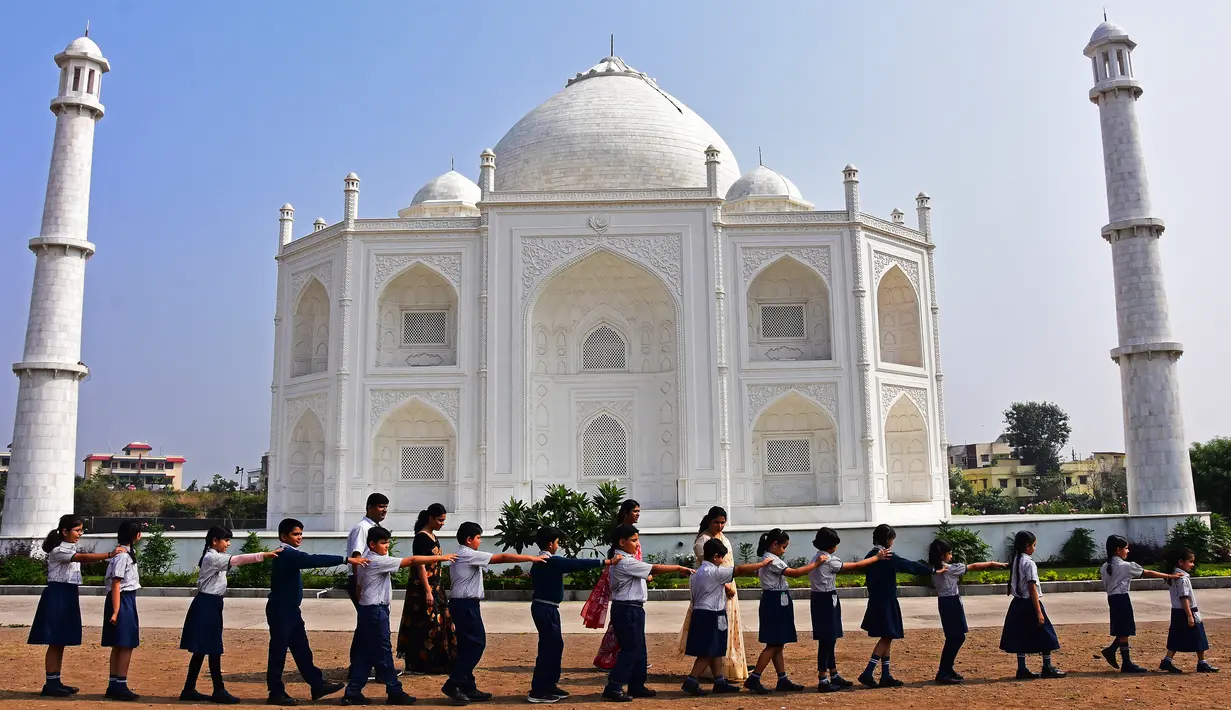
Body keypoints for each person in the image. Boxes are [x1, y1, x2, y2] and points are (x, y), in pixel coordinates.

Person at [343, 526, 456, 706]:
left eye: (387, 542)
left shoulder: (365, 558)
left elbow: (358, 585)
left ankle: (353, 691)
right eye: (383, 543)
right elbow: (412, 560)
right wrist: (441, 557)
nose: (386, 546)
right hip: (375, 611)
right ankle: (394, 690)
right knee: (383, 652)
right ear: (372, 544)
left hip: (369, 610)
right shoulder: (376, 560)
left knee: (366, 653)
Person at [266, 518, 368, 706]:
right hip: (281, 610)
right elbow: (312, 560)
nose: (300, 537)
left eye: (301, 534)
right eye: (295, 534)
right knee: (278, 652)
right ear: (283, 536)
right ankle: (275, 692)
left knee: (302, 650)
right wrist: (345, 559)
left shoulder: (289, 553)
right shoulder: (285, 553)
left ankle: (317, 684)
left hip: (290, 610)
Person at [443, 521, 548, 705]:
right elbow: (502, 557)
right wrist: (531, 558)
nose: (480, 541)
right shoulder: (469, 554)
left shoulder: (463, 554)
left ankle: (467, 686)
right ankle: (454, 682)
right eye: (478, 538)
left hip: (463, 604)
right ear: (469, 540)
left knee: (468, 646)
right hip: (466, 605)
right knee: (476, 644)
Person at [28, 514, 125, 698]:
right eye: (77, 530)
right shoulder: (59, 550)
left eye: (81, 530)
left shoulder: (68, 547)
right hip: (58, 594)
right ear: (65, 531)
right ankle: (50, 683)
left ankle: (55, 681)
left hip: (68, 592)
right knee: (55, 640)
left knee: (61, 640)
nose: (80, 533)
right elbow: (83, 557)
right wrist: (109, 554)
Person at [180, 526, 280, 703]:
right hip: (207, 604)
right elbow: (238, 560)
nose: (228, 543)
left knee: (203, 649)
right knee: (212, 648)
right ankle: (218, 689)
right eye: (225, 540)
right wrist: (263, 555)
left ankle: (189, 688)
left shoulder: (213, 556)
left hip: (210, 603)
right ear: (215, 541)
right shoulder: (213, 557)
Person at [601, 524, 694, 702]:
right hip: (627, 609)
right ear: (622, 542)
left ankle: (637, 684)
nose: (637, 544)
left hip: (632, 608)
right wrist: (678, 568)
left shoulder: (626, 560)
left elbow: (648, 573)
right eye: (634, 540)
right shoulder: (624, 561)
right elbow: (653, 569)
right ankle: (614, 686)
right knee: (630, 649)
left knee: (639, 648)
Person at [527, 526, 619, 704]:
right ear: (550, 543)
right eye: (557, 542)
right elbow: (577, 564)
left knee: (555, 646)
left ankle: (550, 684)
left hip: (549, 608)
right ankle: (538, 690)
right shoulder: (548, 560)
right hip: (544, 609)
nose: (558, 545)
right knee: (548, 648)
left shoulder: (547, 560)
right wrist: (607, 562)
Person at [681, 537, 771, 697]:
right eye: (721, 557)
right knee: (708, 651)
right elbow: (740, 570)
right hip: (712, 614)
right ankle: (691, 680)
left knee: (715, 649)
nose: (722, 561)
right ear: (715, 556)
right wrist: (762, 564)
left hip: (702, 612)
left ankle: (719, 680)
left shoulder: (696, 573)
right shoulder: (715, 572)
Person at [856, 524, 939, 688]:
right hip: (886, 600)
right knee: (887, 636)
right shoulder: (886, 555)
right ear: (888, 539)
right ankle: (868, 672)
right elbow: (908, 565)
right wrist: (932, 570)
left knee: (887, 635)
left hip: (876, 599)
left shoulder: (871, 555)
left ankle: (885, 674)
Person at [807, 527, 888, 692]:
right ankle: (823, 679)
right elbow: (856, 565)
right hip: (826, 599)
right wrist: (876, 558)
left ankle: (833, 674)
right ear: (831, 545)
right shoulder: (828, 560)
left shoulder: (817, 557)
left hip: (819, 599)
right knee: (826, 640)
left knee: (830, 639)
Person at [743, 529, 821, 695]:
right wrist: (815, 564)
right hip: (775, 602)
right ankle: (755, 677)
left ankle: (782, 678)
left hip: (777, 601)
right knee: (773, 643)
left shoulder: (771, 559)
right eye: (783, 547)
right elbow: (795, 574)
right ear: (774, 545)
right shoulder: (772, 560)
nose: (784, 550)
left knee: (778, 643)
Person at [676, 507, 747, 682]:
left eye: (723, 522)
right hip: (715, 589)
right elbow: (711, 568)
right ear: (709, 521)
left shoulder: (724, 539)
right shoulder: (703, 541)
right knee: (715, 632)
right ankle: (706, 674)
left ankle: (725, 672)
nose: (720, 526)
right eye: (716, 522)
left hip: (728, 585)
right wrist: (726, 585)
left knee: (727, 629)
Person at [927, 538, 1007, 684]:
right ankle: (943, 671)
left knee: (954, 637)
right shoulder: (950, 569)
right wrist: (991, 563)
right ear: (942, 555)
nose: (951, 556)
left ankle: (947, 669)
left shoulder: (934, 570)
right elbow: (973, 566)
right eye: (949, 554)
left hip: (944, 602)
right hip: (952, 603)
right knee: (956, 637)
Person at [1097, 534, 1179, 673]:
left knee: (1124, 629)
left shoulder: (1105, 567)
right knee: (1125, 630)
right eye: (1126, 548)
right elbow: (1147, 572)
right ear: (1118, 550)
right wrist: (1168, 576)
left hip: (1112, 598)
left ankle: (1113, 652)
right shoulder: (1125, 566)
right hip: (1122, 598)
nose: (1127, 551)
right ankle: (1125, 662)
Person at [582, 499, 641, 671]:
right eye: (635, 511)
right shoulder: (621, 534)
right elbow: (618, 559)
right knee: (620, 625)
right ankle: (608, 658)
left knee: (623, 625)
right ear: (625, 513)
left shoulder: (632, 533)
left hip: (633, 578)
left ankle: (624, 658)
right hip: (624, 581)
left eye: (639, 511)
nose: (637, 514)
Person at [397, 503, 456, 674]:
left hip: (435, 586)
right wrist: (428, 591)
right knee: (424, 624)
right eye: (440, 520)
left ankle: (435, 661)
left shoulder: (432, 536)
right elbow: (420, 565)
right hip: (423, 588)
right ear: (430, 518)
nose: (442, 524)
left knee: (436, 623)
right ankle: (420, 663)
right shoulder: (421, 538)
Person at [998, 530, 1065, 679]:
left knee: (1020, 636)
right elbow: (1032, 586)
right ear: (1028, 546)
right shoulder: (1029, 563)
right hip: (1029, 603)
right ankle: (1047, 667)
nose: (1035, 548)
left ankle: (1022, 668)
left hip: (1017, 604)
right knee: (1046, 634)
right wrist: (1039, 612)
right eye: (1034, 545)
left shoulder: (1016, 560)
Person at [101, 520, 143, 701]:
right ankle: (120, 683)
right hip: (122, 600)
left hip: (126, 599)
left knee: (120, 643)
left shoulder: (126, 553)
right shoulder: (122, 557)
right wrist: (117, 610)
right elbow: (116, 583)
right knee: (125, 644)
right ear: (136, 536)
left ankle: (115, 684)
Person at [1160, 546, 1219, 673]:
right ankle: (1201, 662)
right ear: (1181, 562)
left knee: (1176, 636)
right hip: (1187, 611)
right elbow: (1184, 597)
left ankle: (1167, 660)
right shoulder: (1182, 578)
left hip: (1176, 611)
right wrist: (1189, 615)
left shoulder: (1173, 576)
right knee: (1199, 636)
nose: (1192, 564)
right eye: (1190, 561)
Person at [347, 493, 389, 607]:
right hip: (363, 580)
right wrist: (358, 585)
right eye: (381, 506)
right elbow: (357, 557)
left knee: (373, 619)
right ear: (370, 508)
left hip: (374, 579)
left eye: (386, 507)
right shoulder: (362, 528)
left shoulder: (375, 527)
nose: (384, 510)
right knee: (370, 618)